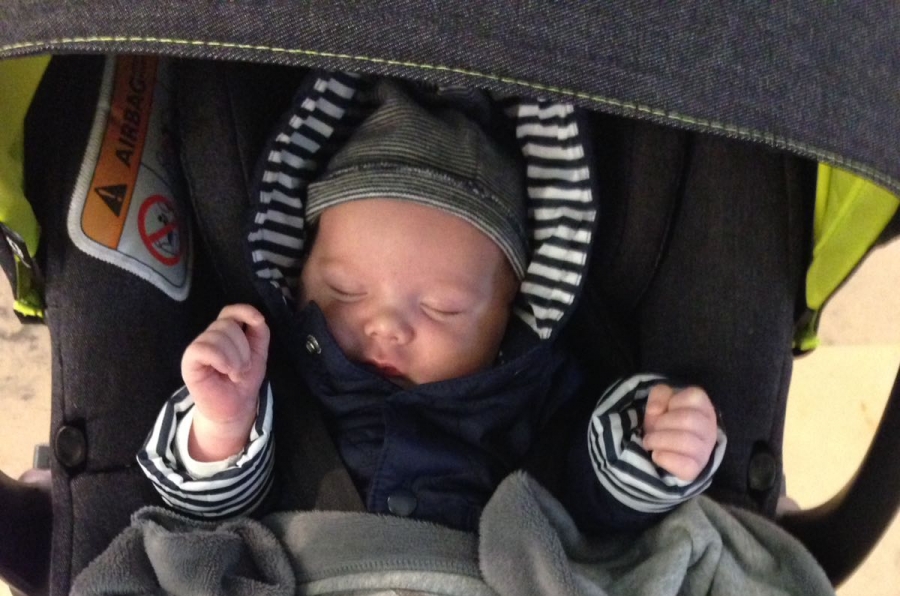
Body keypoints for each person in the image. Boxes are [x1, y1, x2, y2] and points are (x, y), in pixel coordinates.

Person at [138, 76, 725, 534]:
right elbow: (204, 517)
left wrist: (654, 450)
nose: (387, 325)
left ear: (514, 310)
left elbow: (591, 505)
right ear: (300, 271)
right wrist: (223, 423)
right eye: (345, 290)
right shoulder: (273, 377)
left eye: (443, 308)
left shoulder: (533, 397)